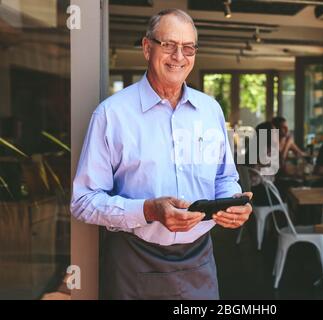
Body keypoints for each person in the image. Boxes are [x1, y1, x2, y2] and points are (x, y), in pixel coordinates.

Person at [70, 9, 252, 300]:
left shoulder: (210, 110)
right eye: (168, 45)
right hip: (134, 261)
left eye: (188, 47)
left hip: (199, 260)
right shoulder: (111, 114)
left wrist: (232, 202)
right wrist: (149, 211)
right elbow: (83, 202)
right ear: (146, 47)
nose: (179, 56)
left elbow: (225, 176)